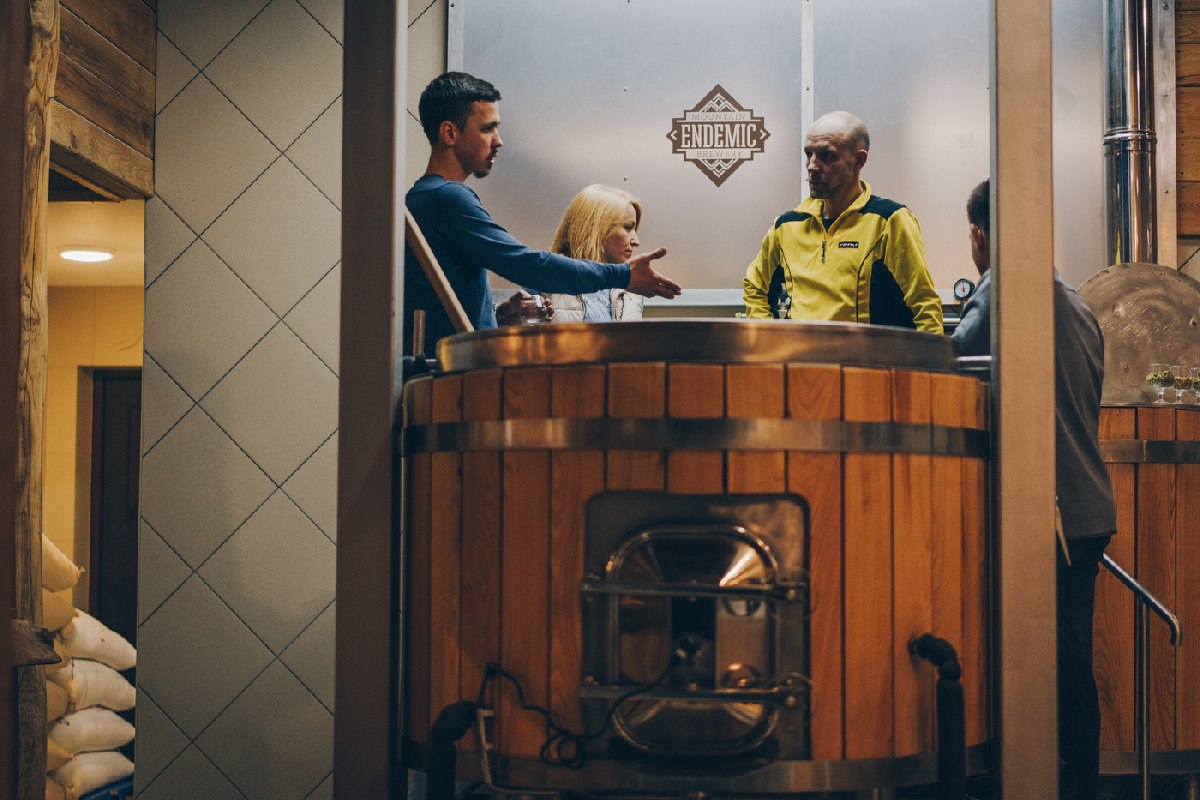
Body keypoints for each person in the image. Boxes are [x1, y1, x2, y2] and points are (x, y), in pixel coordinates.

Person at [953, 179, 1116, 800]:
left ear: (979, 236)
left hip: (1045, 514)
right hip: (1085, 506)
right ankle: (1075, 785)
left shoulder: (1000, 296)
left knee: (1045, 668)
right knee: (1069, 664)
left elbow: (952, 373)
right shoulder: (1076, 303)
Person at [403, 72, 680, 356]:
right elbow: (528, 265)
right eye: (488, 129)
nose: (499, 141)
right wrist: (623, 275)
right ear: (449, 133)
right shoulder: (446, 197)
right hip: (447, 373)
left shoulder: (425, 198)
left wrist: (498, 317)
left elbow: (444, 306)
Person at [742, 110, 942, 333]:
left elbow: (923, 303)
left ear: (859, 160)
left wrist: (932, 354)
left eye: (827, 155)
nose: (812, 166)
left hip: (864, 355)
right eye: (809, 154)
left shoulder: (888, 220)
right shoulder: (787, 226)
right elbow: (755, 287)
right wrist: (770, 340)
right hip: (801, 354)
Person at [547, 184, 646, 322]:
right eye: (628, 228)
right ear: (599, 228)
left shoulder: (630, 291)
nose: (636, 241)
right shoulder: (547, 275)